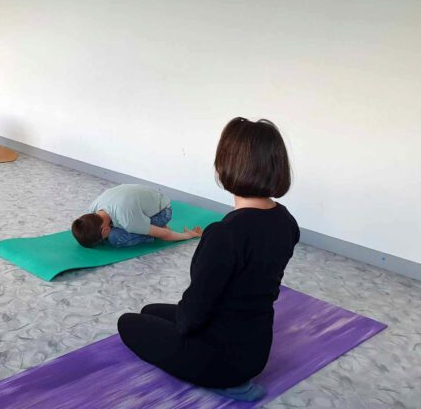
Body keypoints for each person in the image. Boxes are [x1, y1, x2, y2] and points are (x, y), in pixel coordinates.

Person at [117, 118, 299, 402]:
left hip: (219, 361)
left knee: (127, 323)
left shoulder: (224, 234)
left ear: (226, 167)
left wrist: (180, 333)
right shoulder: (287, 222)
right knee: (150, 309)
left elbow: (194, 311)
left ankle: (229, 385)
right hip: (256, 349)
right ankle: (227, 373)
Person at [72, 184, 202, 248]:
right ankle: (145, 224)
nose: (103, 241)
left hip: (163, 212)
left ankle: (153, 227)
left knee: (115, 238)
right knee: (120, 229)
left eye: (101, 240)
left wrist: (189, 235)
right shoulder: (93, 208)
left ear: (105, 229)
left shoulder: (127, 219)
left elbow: (165, 235)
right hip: (142, 202)